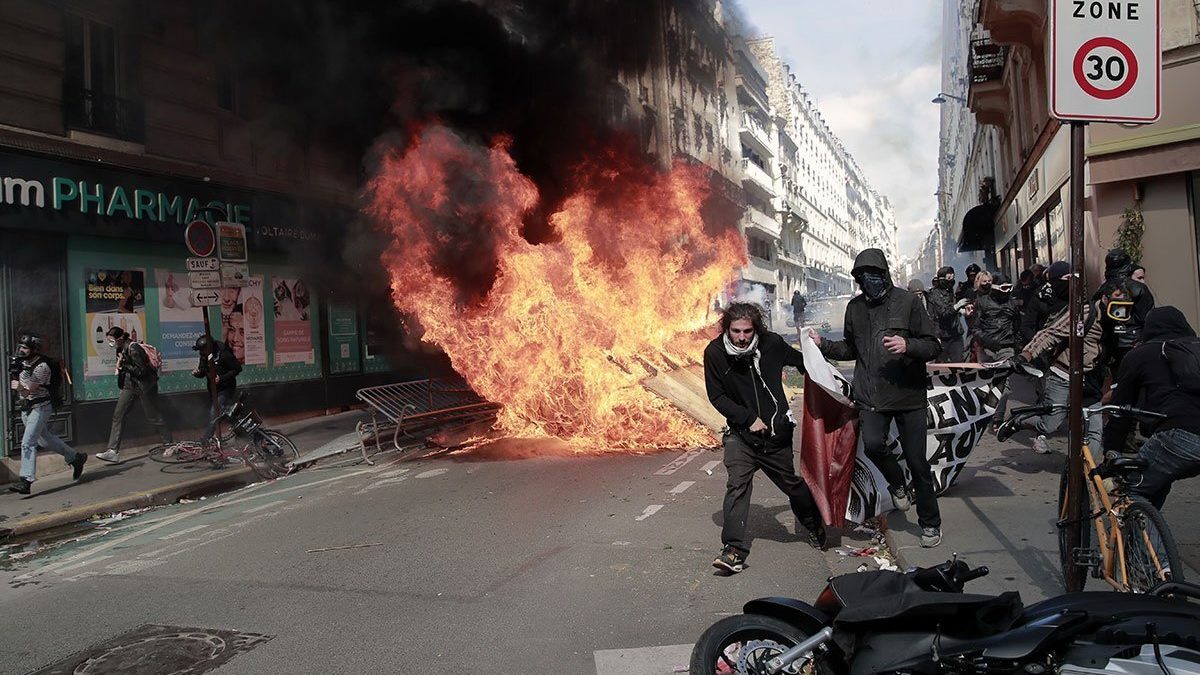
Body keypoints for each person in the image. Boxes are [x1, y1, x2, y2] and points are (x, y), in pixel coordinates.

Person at [812, 249, 944, 548]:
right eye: (862, 276)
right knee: (873, 445)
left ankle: (930, 524)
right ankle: (898, 484)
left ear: (884, 274)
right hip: (870, 396)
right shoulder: (855, 308)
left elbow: (933, 345)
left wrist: (907, 344)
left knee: (917, 462)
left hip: (909, 395)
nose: (868, 281)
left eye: (873, 274)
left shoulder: (908, 301)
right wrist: (823, 346)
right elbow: (849, 349)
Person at [703, 302, 826, 574]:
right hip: (741, 435)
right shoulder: (715, 353)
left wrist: (817, 350)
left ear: (755, 328)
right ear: (727, 329)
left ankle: (813, 524)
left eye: (747, 331)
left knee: (793, 486)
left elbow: (803, 362)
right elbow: (717, 396)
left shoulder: (771, 344)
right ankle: (733, 550)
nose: (742, 337)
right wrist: (747, 419)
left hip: (775, 435)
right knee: (737, 485)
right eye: (736, 331)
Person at [1102, 307, 1200, 510]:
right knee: (1158, 478)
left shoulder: (1140, 354)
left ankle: (1149, 541)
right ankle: (1151, 529)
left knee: (1133, 490)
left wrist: (1112, 451)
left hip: (1179, 435)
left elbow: (1121, 410)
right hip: (1188, 435)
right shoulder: (1196, 348)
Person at [1006, 261, 1105, 454]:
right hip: (1054, 364)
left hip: (1089, 376)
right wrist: (1030, 354)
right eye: (1067, 279)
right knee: (1050, 421)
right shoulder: (1042, 299)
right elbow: (1043, 331)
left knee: (1094, 430)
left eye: (1075, 279)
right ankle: (1025, 424)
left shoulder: (1081, 304)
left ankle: (1087, 474)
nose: (1072, 283)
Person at [7, 335, 86, 494]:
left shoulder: (42, 367)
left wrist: (18, 387)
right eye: (20, 347)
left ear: (34, 350)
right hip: (26, 408)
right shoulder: (22, 362)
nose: (21, 350)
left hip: (40, 407)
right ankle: (75, 457)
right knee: (44, 440)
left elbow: (29, 389)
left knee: (28, 442)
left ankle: (26, 480)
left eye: (25, 348)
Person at [97, 327, 171, 463]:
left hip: (144, 387)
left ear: (120, 338)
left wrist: (124, 365)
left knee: (153, 416)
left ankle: (169, 444)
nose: (110, 343)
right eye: (109, 340)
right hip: (129, 386)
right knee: (118, 415)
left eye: (112, 340)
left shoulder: (134, 348)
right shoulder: (120, 349)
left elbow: (141, 371)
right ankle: (113, 451)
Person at [1092, 249, 1155, 376]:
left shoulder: (1102, 290)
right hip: (1135, 341)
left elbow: (1095, 315)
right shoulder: (1139, 288)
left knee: (1119, 382)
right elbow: (1148, 317)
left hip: (1111, 344)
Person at [973, 272, 1019, 428]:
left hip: (1006, 349)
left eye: (1009, 288)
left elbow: (1017, 325)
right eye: (1004, 288)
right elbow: (976, 327)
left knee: (1004, 385)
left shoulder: (1012, 304)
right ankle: (985, 414)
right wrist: (986, 341)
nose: (1007, 292)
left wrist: (1013, 345)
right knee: (984, 382)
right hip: (986, 349)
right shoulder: (982, 302)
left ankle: (997, 419)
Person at [191, 334, 243, 444]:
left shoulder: (224, 354)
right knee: (224, 413)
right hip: (213, 389)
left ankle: (206, 439)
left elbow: (237, 369)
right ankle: (241, 427)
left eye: (203, 350)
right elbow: (203, 370)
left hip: (226, 388)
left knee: (214, 413)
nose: (201, 353)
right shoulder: (204, 355)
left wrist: (222, 378)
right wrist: (198, 373)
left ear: (209, 348)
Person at [926, 266, 964, 363]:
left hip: (955, 333)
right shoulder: (935, 294)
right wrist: (957, 307)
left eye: (953, 276)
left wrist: (962, 311)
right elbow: (943, 313)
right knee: (942, 366)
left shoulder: (951, 291)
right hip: (943, 336)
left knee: (959, 362)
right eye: (949, 277)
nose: (952, 280)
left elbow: (953, 312)